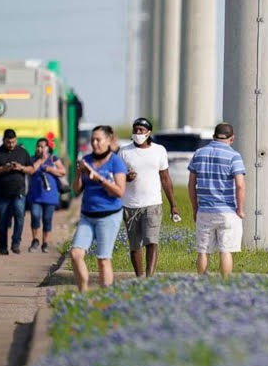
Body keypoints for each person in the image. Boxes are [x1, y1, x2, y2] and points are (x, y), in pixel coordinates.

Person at [119, 117, 180, 277]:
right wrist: (126, 178)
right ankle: (139, 278)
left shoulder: (159, 150)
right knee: (135, 246)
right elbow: (116, 177)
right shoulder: (124, 151)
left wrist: (173, 205)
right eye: (135, 130)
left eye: (141, 130)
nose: (137, 133)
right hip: (130, 205)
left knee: (151, 241)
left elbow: (165, 178)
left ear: (148, 133)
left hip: (153, 204)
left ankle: (149, 278)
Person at [70, 125, 127, 291]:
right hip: (87, 216)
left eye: (98, 140)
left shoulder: (116, 162)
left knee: (103, 259)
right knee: (75, 254)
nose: (94, 143)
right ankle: (83, 292)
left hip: (109, 216)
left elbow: (119, 191)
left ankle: (105, 296)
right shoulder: (86, 160)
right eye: (92, 140)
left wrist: (99, 179)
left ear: (108, 140)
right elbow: (76, 189)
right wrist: (80, 173)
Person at [188, 122, 246, 279]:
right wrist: (240, 209)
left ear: (213, 136)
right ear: (232, 138)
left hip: (205, 210)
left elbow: (191, 184)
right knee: (225, 250)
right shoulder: (234, 156)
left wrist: (195, 208)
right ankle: (225, 282)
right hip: (227, 211)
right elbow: (240, 185)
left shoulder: (199, 153)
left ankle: (201, 281)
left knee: (203, 250)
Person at [0, 129, 34, 255]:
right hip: (1, 194)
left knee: (20, 216)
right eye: (8, 142)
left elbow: (31, 169)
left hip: (19, 193)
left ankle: (16, 243)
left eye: (13, 142)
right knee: (3, 221)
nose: (11, 144)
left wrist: (21, 168)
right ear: (3, 140)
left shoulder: (22, 152)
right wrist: (3, 168)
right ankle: (3, 246)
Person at [26, 138, 66, 253]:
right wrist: (40, 161)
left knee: (47, 219)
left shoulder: (53, 159)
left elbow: (63, 171)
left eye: (42, 146)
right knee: (35, 216)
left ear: (48, 148)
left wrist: (49, 169)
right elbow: (31, 171)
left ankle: (45, 243)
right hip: (35, 196)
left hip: (50, 196)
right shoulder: (32, 159)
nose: (39, 149)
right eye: (38, 146)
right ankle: (35, 240)